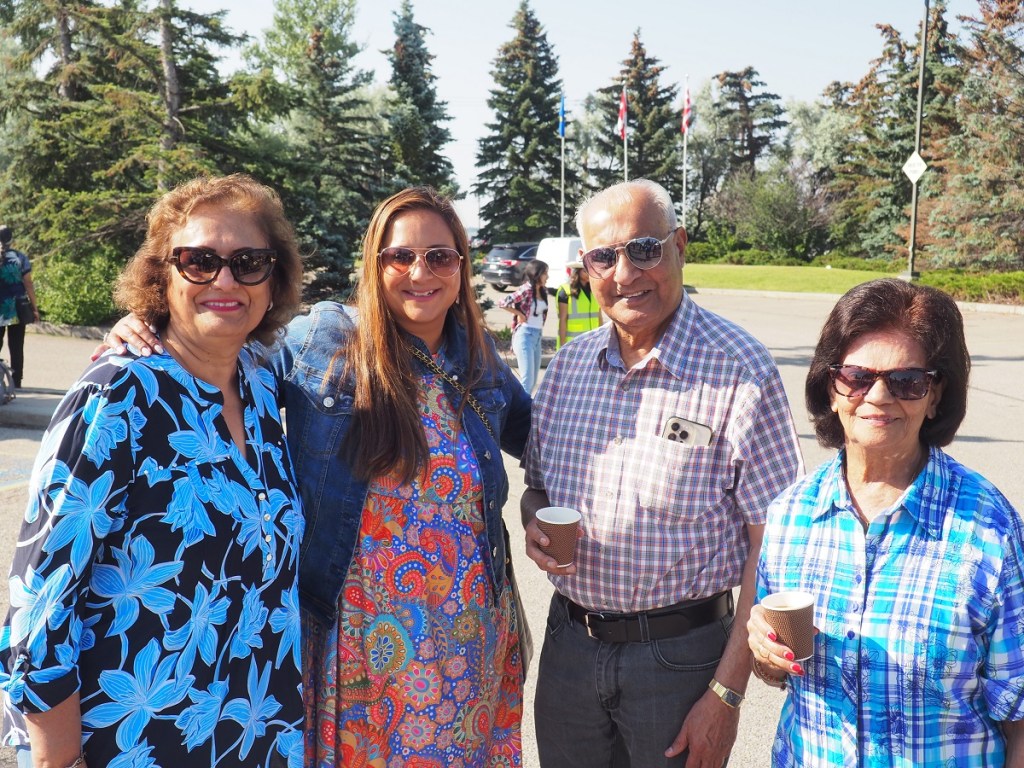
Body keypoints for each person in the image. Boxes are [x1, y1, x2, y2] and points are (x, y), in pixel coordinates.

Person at [103, 186, 533, 766]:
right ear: (374, 264)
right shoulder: (326, 339)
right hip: (356, 643)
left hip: (468, 638)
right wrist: (154, 318)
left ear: (461, 266)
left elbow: (546, 446)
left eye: (440, 256)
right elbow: (225, 347)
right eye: (400, 256)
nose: (420, 272)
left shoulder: (480, 364)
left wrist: (543, 503)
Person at [0, 174, 307, 768]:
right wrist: (57, 758)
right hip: (134, 743)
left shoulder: (263, 387)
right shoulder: (119, 395)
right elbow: (40, 601)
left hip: (256, 734)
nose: (224, 281)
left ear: (274, 280)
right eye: (199, 262)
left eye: (249, 263)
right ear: (161, 276)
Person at [521, 178, 804, 767]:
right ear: (586, 268)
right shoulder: (568, 367)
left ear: (679, 246)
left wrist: (726, 695)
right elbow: (537, 489)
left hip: (680, 660)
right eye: (604, 257)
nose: (625, 273)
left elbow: (773, 545)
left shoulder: (740, 370)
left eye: (644, 249)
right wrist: (536, 527)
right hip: (570, 650)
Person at [746, 278, 1024, 767]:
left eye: (907, 381)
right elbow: (780, 673)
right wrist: (766, 656)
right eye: (856, 376)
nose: (877, 395)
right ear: (831, 388)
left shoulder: (988, 529)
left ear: (935, 396)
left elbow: (1020, 714)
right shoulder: (790, 516)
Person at [500, 259, 548, 393]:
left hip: (537, 336)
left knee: (533, 380)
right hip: (525, 335)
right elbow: (502, 302)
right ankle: (521, 406)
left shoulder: (543, 290)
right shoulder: (526, 289)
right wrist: (519, 314)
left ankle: (526, 405)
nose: (548, 276)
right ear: (537, 274)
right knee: (527, 380)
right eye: (545, 273)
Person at [0, 225, 39, 388]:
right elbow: (28, 283)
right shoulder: (20, 258)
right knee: (16, 346)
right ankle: (16, 382)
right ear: (11, 239)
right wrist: (35, 308)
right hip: (17, 308)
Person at [555, 260, 601, 349]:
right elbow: (563, 319)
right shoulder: (565, 291)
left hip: (593, 342)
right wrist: (562, 344)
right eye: (585, 271)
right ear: (577, 272)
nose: (588, 274)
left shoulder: (594, 290)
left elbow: (599, 317)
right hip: (572, 343)